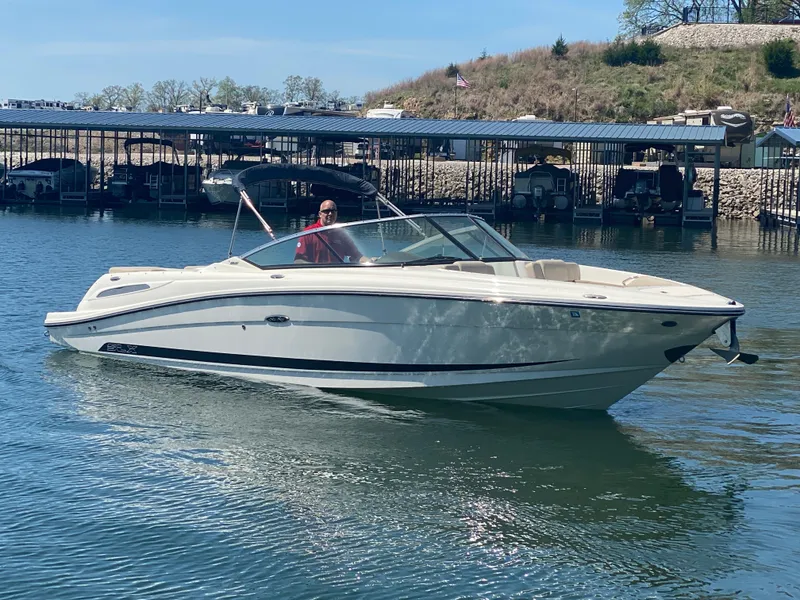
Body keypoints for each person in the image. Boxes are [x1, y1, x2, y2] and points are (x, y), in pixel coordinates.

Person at [294, 200, 367, 264]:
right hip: (316, 275)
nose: (330, 214)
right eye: (326, 211)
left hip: (337, 275)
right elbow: (298, 260)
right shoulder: (308, 233)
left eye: (333, 211)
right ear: (320, 214)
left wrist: (370, 261)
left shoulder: (342, 234)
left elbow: (356, 256)